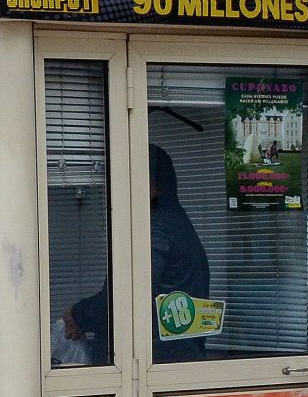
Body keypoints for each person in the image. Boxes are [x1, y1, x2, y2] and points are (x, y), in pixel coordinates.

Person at [64, 142, 211, 364]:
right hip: (174, 357)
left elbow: (126, 296)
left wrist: (79, 314)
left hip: (153, 364)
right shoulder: (176, 222)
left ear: (149, 183)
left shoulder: (155, 227)